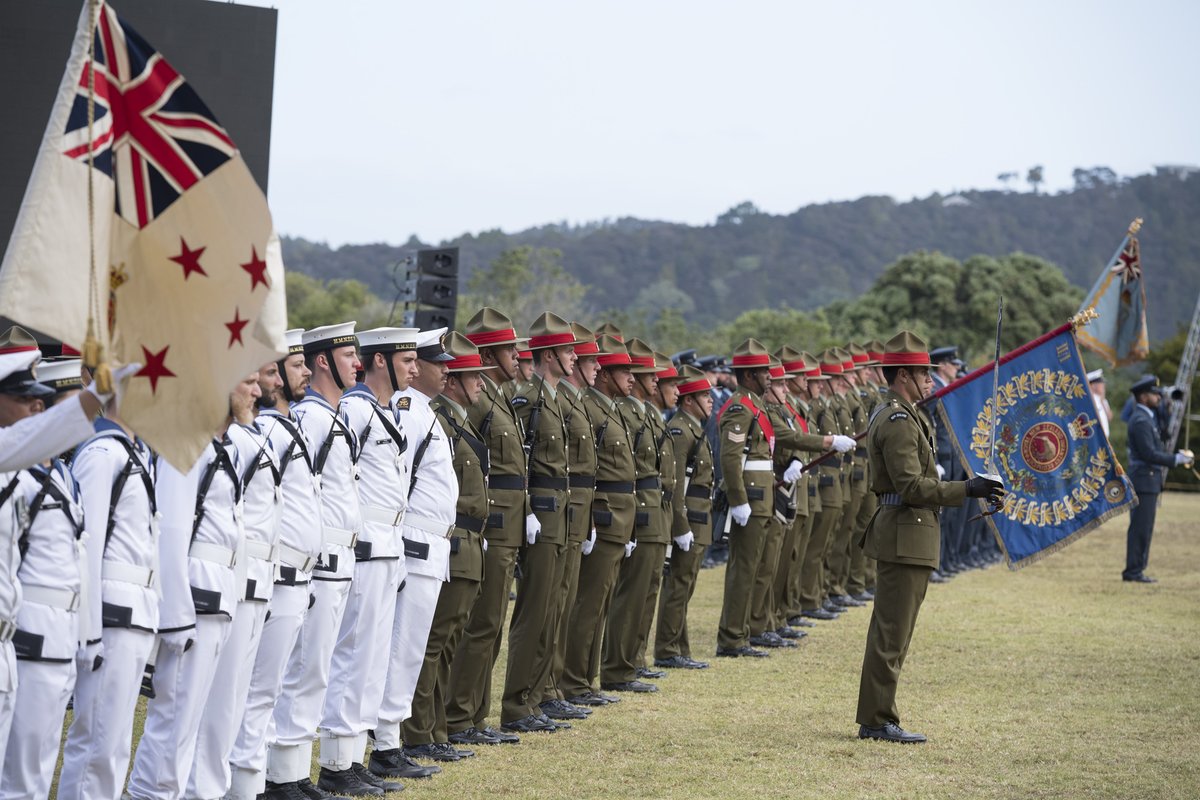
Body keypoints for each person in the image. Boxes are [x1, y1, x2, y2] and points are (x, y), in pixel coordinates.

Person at [855, 331, 1004, 744]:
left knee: (895, 633)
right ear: (903, 375)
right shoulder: (899, 420)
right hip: (904, 534)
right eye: (923, 373)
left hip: (911, 534)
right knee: (891, 634)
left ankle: (878, 715)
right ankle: (877, 719)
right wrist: (967, 489)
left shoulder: (906, 414)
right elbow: (910, 487)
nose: (930, 380)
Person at [128, 372, 258, 799]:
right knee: (174, 720)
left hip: (218, 597)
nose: (257, 392)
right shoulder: (185, 443)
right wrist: (176, 619)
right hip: (195, 601)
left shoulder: (219, 445)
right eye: (248, 381)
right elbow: (171, 534)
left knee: (192, 720)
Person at [317, 327, 424, 794]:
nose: (415, 369)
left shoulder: (384, 411)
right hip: (365, 545)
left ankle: (353, 756)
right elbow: (341, 479)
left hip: (388, 543)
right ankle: (335, 763)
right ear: (380, 361)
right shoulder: (356, 410)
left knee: (374, 657)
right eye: (406, 361)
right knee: (353, 652)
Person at [266, 322, 367, 798]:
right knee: (305, 668)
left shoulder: (330, 415)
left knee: (321, 666)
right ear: (326, 360)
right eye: (348, 355)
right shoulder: (310, 417)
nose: (358, 364)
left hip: (338, 554)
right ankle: (283, 773)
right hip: (318, 555)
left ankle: (295, 772)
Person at [229, 331, 325, 800]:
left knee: (269, 688)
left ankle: (269, 779)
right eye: (285, 368)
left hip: (291, 573)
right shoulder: (260, 430)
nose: (300, 373)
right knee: (255, 690)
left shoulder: (279, 427)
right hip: (270, 574)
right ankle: (248, 785)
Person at [402, 333, 492, 758]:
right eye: (443, 365)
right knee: (431, 642)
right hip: (444, 539)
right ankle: (420, 733)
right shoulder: (426, 416)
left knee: (447, 640)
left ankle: (435, 730)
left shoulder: (449, 419)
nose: (479, 383)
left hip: (464, 539)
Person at [0, 358, 86, 800]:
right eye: (24, 398)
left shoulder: (37, 468)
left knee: (31, 767)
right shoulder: (13, 468)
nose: (37, 407)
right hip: (29, 632)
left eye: (41, 399)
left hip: (22, 637)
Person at [372, 328, 458, 763]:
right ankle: (386, 742)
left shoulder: (424, 411)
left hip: (431, 542)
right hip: (415, 541)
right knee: (401, 647)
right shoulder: (408, 410)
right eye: (436, 363)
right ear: (417, 366)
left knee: (411, 647)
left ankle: (389, 738)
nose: (446, 371)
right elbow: (398, 483)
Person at [444, 309, 530, 742]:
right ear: (489, 353)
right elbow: (470, 463)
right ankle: (459, 717)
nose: (517, 356)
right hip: (489, 522)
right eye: (509, 349)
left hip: (507, 520)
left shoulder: (497, 394)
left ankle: (475, 715)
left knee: (492, 622)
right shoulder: (477, 401)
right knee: (481, 624)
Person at [502, 313, 586, 728]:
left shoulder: (553, 397)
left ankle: (537, 698)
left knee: (553, 609)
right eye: (568, 350)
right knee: (534, 611)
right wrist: (529, 510)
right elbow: (521, 460)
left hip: (561, 512)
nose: (575, 357)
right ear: (549, 355)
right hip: (542, 512)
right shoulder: (529, 399)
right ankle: (517, 705)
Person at [560, 334, 637, 706]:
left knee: (600, 601)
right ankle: (573, 681)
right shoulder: (589, 406)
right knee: (587, 603)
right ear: (605, 374)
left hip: (617, 511)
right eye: (623, 371)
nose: (631, 379)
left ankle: (584, 680)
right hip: (600, 510)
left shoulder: (608, 407)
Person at [601, 338, 670, 691]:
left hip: (652, 504)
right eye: (647, 375)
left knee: (647, 588)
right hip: (638, 504)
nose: (655, 380)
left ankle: (634, 659)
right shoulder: (624, 411)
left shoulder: (646, 412)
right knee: (631, 593)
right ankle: (618, 667)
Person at [653, 365, 714, 669]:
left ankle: (679, 647)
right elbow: (675, 483)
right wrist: (680, 525)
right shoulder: (680, 430)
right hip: (689, 516)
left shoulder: (693, 428)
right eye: (704, 395)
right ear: (689, 401)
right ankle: (667, 650)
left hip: (700, 515)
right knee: (678, 584)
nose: (711, 400)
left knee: (685, 585)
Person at [1122, 374, 1194, 583]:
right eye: (1154, 394)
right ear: (1144, 397)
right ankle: (1133, 571)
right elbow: (1149, 454)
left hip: (1148, 480)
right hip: (1144, 479)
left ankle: (1137, 569)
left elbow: (1161, 439)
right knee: (1140, 528)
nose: (1159, 397)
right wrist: (1176, 459)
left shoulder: (1147, 417)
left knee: (1145, 528)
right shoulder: (1140, 420)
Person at [1088, 369, 1112, 439]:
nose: (1103, 386)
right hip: (1096, 437)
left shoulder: (1102, 400)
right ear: (1093, 385)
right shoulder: (1091, 399)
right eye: (1100, 383)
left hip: (1105, 438)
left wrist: (1102, 401)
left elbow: (1109, 417)